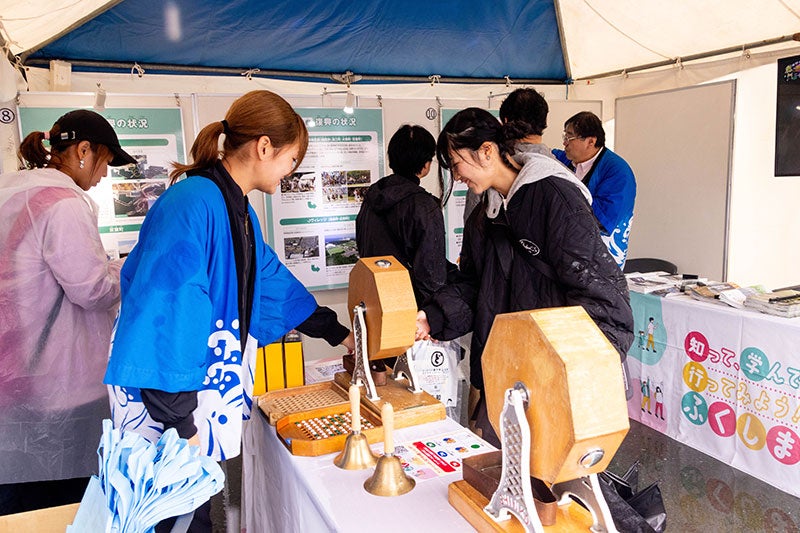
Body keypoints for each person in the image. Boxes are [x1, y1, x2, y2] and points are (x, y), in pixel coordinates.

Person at [104, 90, 354, 532]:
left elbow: (269, 281)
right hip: (163, 398)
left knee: (194, 510)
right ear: (263, 148)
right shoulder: (193, 203)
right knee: (172, 516)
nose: (291, 172)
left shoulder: (234, 206)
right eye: (291, 160)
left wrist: (337, 332)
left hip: (186, 391)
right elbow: (168, 307)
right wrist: (179, 422)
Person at [417, 107, 634, 446]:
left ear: (487, 151)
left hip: (551, 376)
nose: (457, 177)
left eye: (456, 163)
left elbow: (602, 297)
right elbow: (475, 284)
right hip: (507, 371)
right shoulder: (485, 215)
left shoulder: (555, 198)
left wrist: (576, 375)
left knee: (553, 489)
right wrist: (432, 316)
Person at [0, 110, 136, 513]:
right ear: (82, 150)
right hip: (60, 382)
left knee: (18, 504)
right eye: (105, 162)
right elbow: (93, 289)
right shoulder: (64, 204)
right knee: (64, 504)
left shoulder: (12, 190)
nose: (103, 176)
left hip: (14, 377)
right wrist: (130, 264)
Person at [356, 124, 456, 380]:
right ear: (425, 165)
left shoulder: (371, 197)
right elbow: (431, 274)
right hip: (412, 320)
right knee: (415, 391)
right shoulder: (424, 206)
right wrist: (434, 316)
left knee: (379, 387)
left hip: (371, 309)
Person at [552, 111, 636, 268]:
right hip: (570, 255)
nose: (565, 144)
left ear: (590, 141)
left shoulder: (617, 171)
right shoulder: (566, 160)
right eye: (565, 137)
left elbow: (602, 221)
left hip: (602, 260)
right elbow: (543, 156)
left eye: (569, 138)